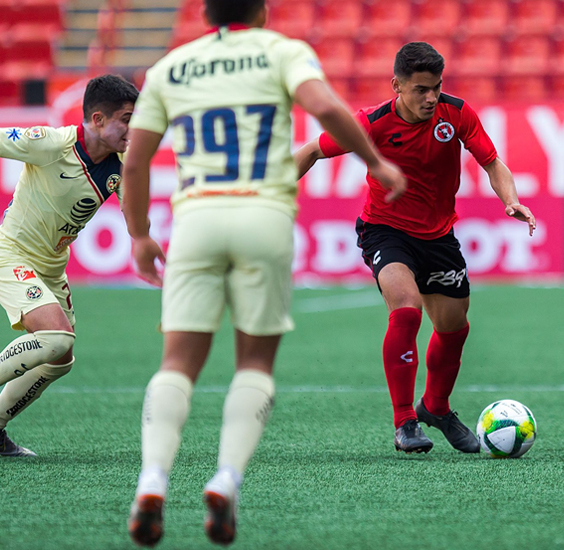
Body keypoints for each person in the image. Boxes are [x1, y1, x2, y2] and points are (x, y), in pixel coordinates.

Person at [121, 0, 405, 546]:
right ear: (262, 9)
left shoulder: (170, 67)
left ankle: (152, 480)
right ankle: (226, 480)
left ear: (205, 12)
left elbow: (135, 161)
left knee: (177, 363)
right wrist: (374, 162)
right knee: (254, 363)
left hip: (197, 219)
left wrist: (139, 234)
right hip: (263, 217)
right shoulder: (282, 51)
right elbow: (326, 107)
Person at [294, 42, 536, 455]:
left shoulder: (456, 114)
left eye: (436, 87)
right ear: (397, 86)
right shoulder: (371, 123)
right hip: (385, 230)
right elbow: (313, 150)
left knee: (454, 328)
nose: (431, 97)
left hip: (438, 236)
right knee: (406, 308)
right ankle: (405, 420)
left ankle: (436, 407)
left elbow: (492, 162)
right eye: (421, 89)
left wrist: (510, 200)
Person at [0, 75, 137, 457]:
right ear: (98, 120)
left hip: (50, 269)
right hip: (9, 255)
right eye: (126, 120)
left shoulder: (122, 164)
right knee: (57, 338)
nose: (133, 129)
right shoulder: (52, 144)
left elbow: (134, 219)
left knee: (60, 359)